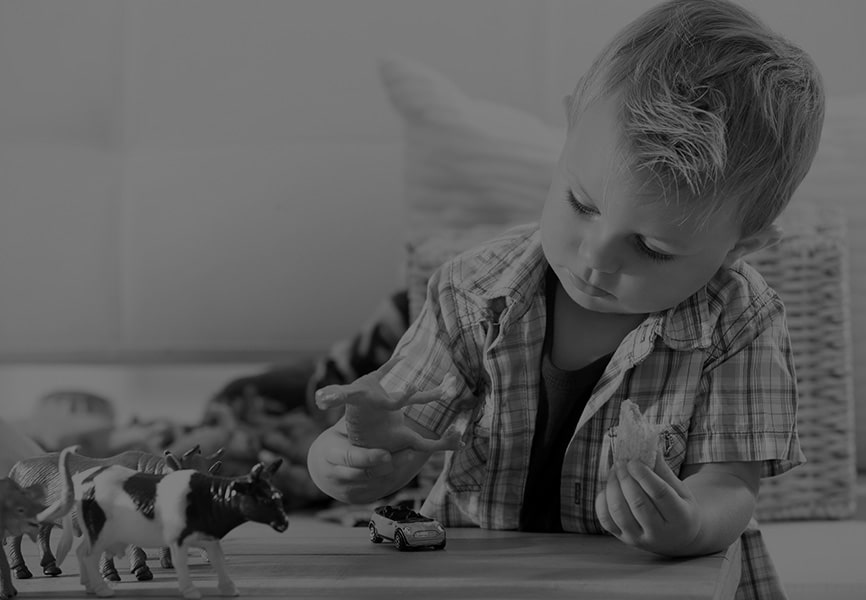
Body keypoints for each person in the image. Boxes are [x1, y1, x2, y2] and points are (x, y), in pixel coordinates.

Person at [308, 0, 824, 597]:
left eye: (651, 247)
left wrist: (691, 524)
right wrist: (347, 459)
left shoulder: (742, 323)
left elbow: (730, 482)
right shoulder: (472, 290)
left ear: (744, 245)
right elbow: (400, 424)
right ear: (570, 123)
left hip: (649, 581)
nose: (595, 256)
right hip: (483, 573)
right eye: (581, 204)